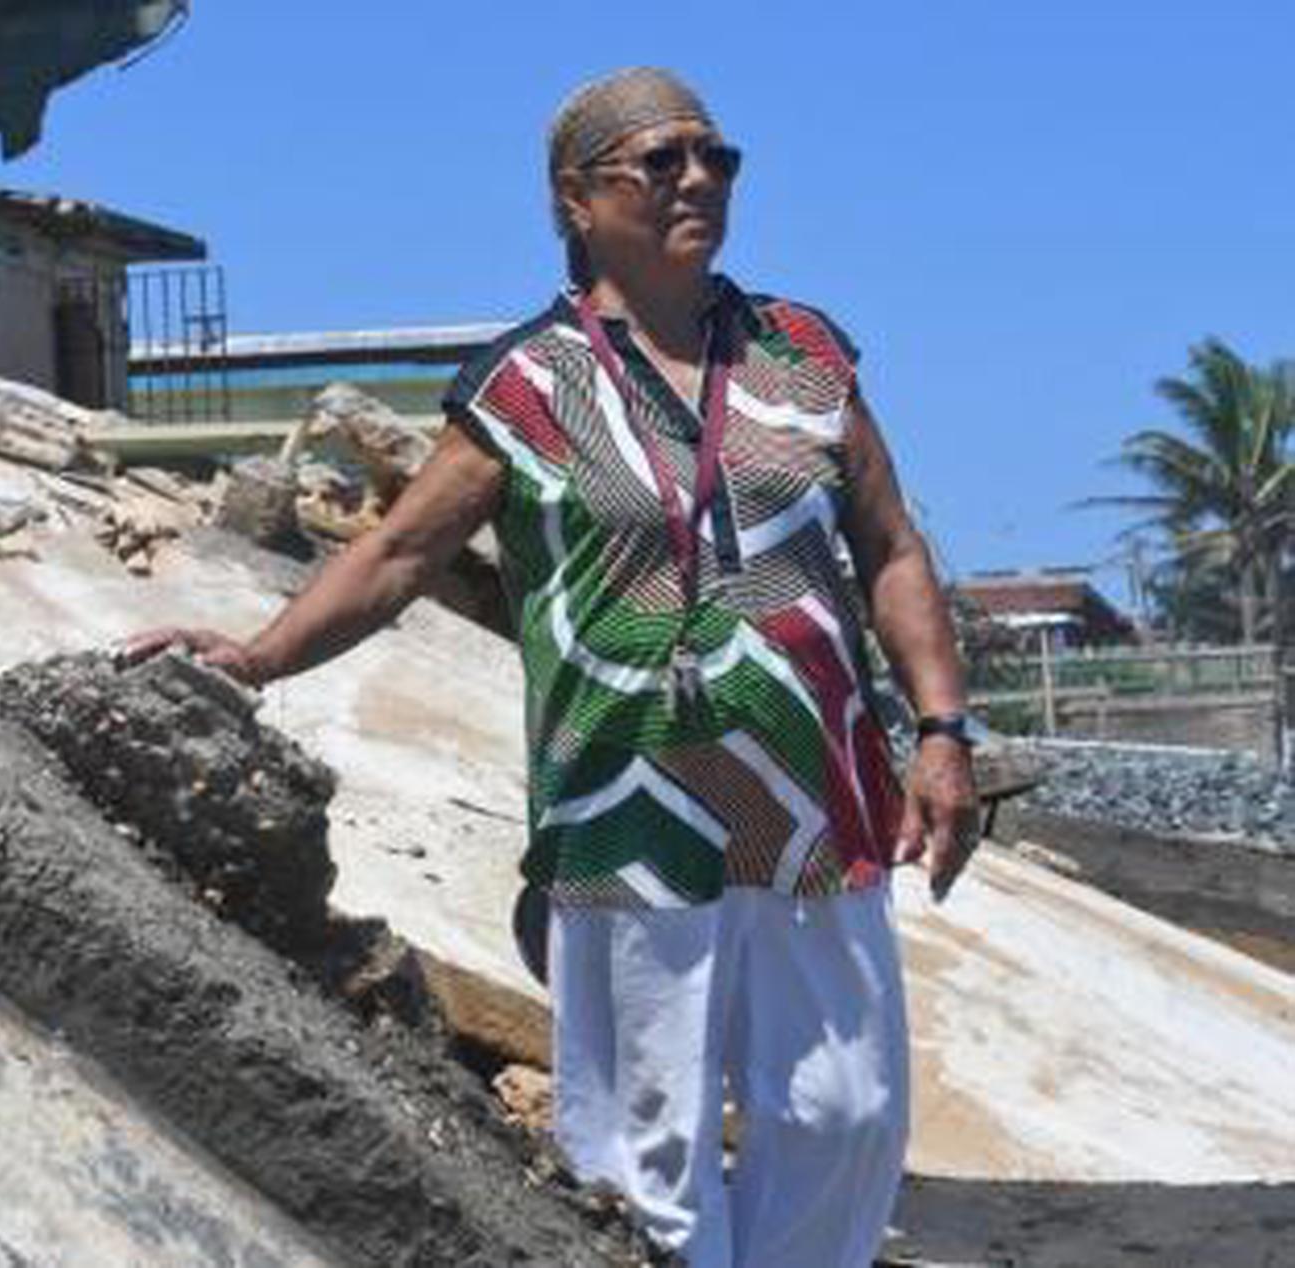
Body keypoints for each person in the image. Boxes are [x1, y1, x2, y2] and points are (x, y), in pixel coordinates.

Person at [126, 67, 976, 1266]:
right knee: (647, 1158)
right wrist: (256, 656)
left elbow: (888, 545)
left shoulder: (805, 356)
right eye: (660, 160)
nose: (697, 180)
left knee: (843, 1113)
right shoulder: (528, 384)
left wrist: (943, 732)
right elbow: (402, 550)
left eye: (715, 158)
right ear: (576, 199)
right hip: (626, 811)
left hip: (815, 801)